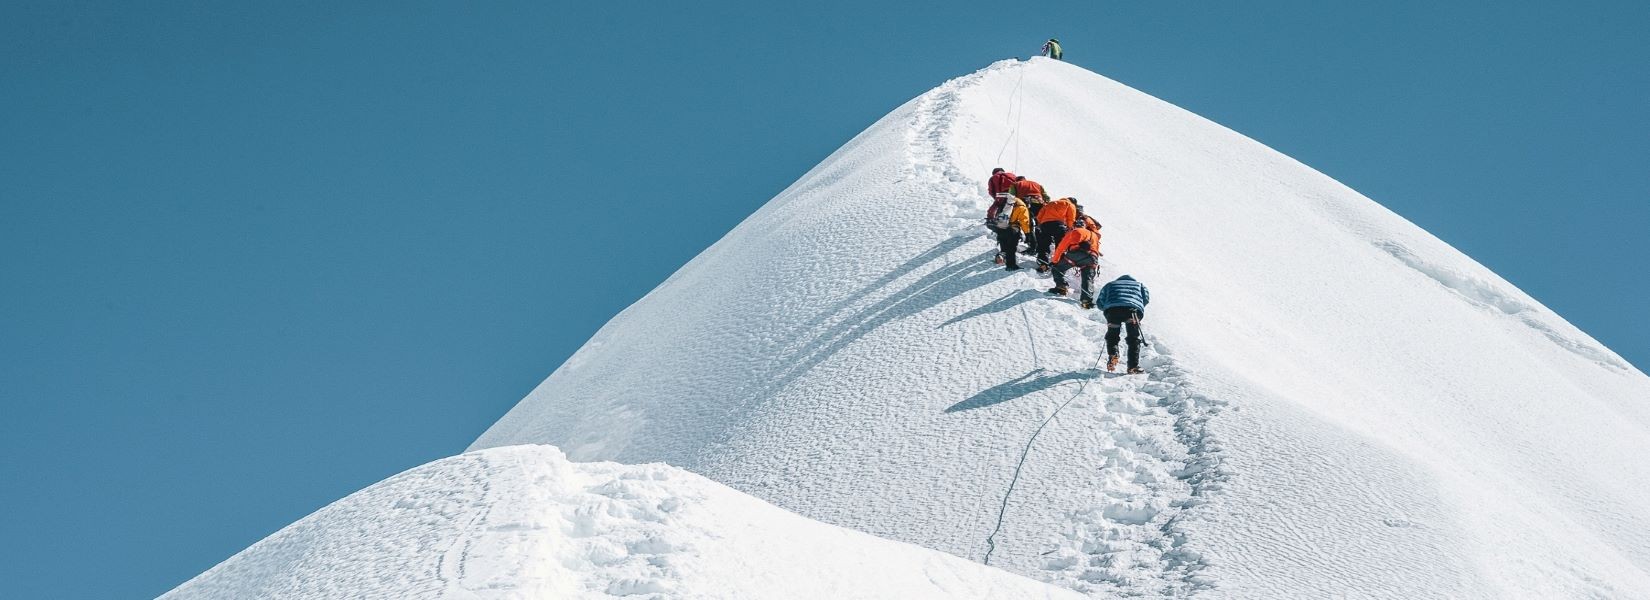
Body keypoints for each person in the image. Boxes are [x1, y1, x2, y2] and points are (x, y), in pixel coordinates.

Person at [1097, 275, 1150, 374]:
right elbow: (1146, 299)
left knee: (1112, 335)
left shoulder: (1109, 285)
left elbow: (1100, 302)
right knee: (1133, 337)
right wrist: (1137, 306)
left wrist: (1106, 309)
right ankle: (1133, 367)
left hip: (1113, 311)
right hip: (1132, 311)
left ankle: (1113, 354)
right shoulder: (1140, 285)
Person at [1045, 226, 1102, 308]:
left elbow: (1061, 247)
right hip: (1092, 258)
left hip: (1076, 254)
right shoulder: (1094, 236)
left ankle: (1061, 287)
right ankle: (1086, 301)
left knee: (1057, 268)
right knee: (1087, 279)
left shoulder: (1075, 231)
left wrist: (1054, 261)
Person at [985, 195, 1031, 270]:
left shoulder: (1006, 201)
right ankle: (1011, 266)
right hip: (1012, 229)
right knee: (1011, 248)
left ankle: (1002, 256)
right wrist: (1027, 233)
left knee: (1003, 243)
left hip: (1000, 227)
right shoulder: (1022, 206)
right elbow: (1024, 222)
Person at [1033, 196, 1076, 272]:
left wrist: (1040, 224)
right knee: (1060, 245)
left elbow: (1040, 215)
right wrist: (1069, 228)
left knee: (1044, 244)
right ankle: (1059, 263)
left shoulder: (1050, 203)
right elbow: (1071, 217)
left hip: (1045, 225)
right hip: (1059, 225)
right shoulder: (1069, 204)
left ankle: (1043, 263)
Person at [1013, 176, 1049, 253]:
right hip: (1039, 204)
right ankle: (1043, 247)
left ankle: (1033, 247)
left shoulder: (1015, 184)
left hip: (1025, 205)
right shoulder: (1037, 184)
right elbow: (1047, 197)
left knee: (1028, 226)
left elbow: (1011, 197)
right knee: (1040, 225)